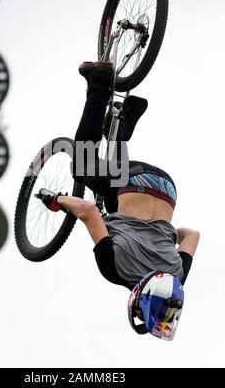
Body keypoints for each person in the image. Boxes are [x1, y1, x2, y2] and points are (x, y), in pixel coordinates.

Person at [37, 61, 200, 340]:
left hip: (167, 188)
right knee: (83, 166)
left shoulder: (178, 276)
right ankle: (99, 82)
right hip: (133, 181)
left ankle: (123, 125)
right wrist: (58, 199)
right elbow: (88, 211)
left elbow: (192, 234)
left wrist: (162, 233)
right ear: (142, 303)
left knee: (115, 204)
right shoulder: (114, 269)